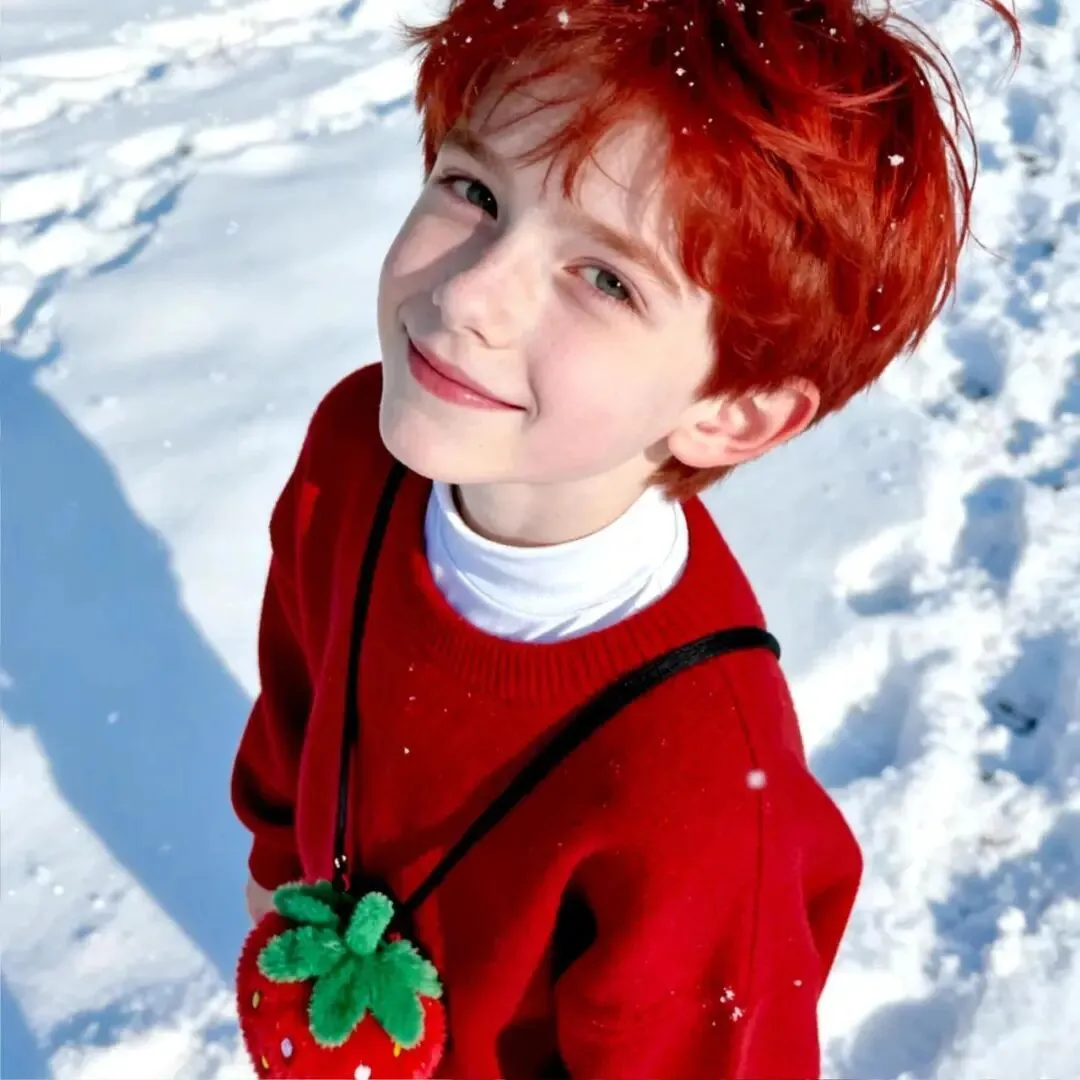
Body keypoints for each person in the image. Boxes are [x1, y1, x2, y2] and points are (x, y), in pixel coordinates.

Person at [231, 0, 1020, 1074]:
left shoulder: (695, 789)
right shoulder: (352, 451)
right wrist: (279, 867)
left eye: (605, 279)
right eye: (475, 192)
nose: (469, 296)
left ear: (732, 412)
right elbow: (300, 684)